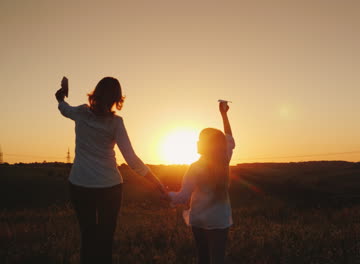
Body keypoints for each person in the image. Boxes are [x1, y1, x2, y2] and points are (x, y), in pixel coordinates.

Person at [55, 76, 167, 264]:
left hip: (80, 185)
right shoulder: (116, 123)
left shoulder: (81, 112)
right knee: (105, 240)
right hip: (110, 187)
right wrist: (157, 182)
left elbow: (64, 109)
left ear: (95, 93)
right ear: (117, 99)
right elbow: (132, 160)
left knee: (88, 237)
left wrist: (59, 99)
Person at [169, 101, 235, 264]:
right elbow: (229, 138)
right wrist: (224, 115)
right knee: (218, 259)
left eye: (200, 139)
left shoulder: (196, 167)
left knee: (203, 258)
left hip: (199, 220)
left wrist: (165, 193)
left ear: (207, 144)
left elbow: (183, 197)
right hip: (220, 220)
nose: (197, 142)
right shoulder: (224, 160)